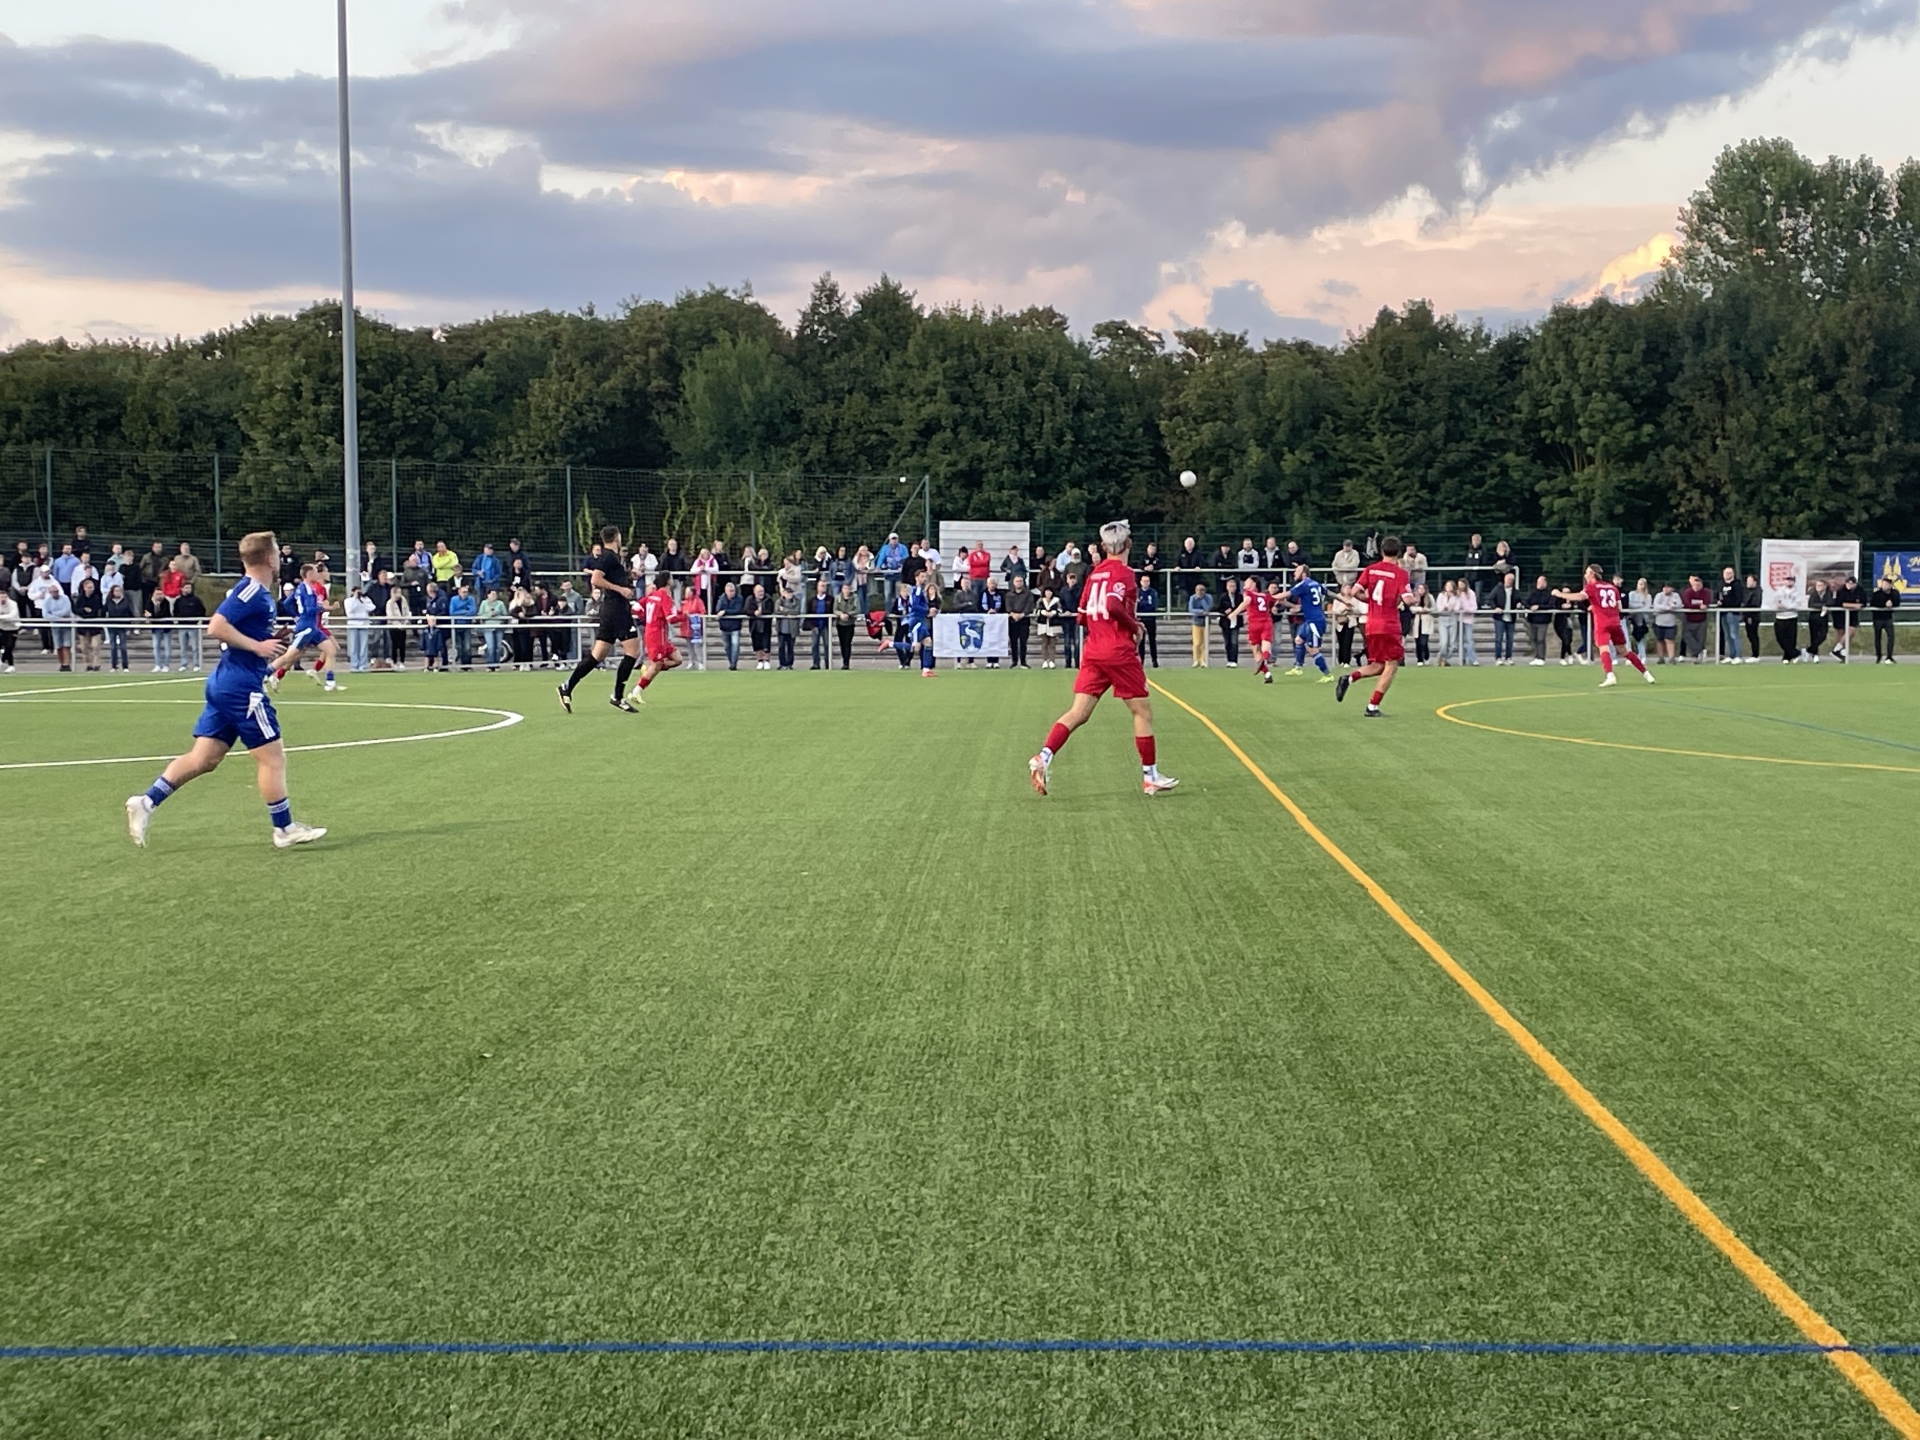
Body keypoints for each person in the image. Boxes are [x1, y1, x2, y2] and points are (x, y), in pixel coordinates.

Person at [124, 531, 325, 850]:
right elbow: (216, 626)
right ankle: (284, 828)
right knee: (273, 758)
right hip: (240, 688)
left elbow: (239, 631)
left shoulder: (258, 594)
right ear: (271, 559)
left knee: (205, 758)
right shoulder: (251, 591)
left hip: (228, 683)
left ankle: (146, 802)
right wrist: (258, 646)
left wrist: (271, 637)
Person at [1029, 520, 1177, 798]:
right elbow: (1112, 604)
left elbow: (1082, 615)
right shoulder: (1125, 573)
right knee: (1142, 713)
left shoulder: (1094, 574)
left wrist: (1103, 626)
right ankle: (1150, 776)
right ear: (1129, 545)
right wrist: (1133, 626)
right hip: (1118, 652)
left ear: (1102, 547)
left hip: (1094, 650)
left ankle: (1043, 757)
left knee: (1078, 713)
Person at [558, 525, 642, 712]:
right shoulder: (607, 556)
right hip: (617, 610)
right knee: (633, 652)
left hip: (610, 610)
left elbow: (610, 577)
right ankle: (617, 696)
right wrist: (621, 589)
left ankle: (567, 687)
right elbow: (596, 579)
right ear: (616, 537)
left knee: (597, 656)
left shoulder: (613, 558)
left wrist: (629, 576)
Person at [1337, 536, 1410, 717]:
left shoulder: (1370, 570)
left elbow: (1354, 592)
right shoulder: (1400, 574)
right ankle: (1372, 707)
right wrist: (1413, 597)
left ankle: (1349, 678)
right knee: (1392, 665)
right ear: (1399, 553)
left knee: (1378, 665)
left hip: (1372, 623)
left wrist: (1369, 600)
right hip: (1389, 624)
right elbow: (1408, 599)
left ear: (1381, 551)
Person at [1553, 567, 1654, 688]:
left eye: (1586, 573)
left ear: (1592, 574)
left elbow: (1580, 597)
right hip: (1615, 622)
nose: (1585, 575)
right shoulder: (1612, 587)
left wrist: (1559, 594)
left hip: (1602, 623)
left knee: (1604, 648)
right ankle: (1646, 673)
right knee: (1624, 650)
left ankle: (1610, 675)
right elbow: (1620, 608)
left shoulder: (1592, 587)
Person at [272, 564, 342, 691]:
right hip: (307, 627)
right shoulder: (308, 590)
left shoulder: (302, 588)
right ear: (309, 574)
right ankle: (266, 674)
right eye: (315, 572)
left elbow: (287, 603)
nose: (318, 574)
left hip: (312, 626)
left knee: (331, 650)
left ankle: (330, 681)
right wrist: (326, 608)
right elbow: (310, 610)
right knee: (290, 656)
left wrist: (296, 614)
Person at [1285, 566, 1334, 680]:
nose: (1294, 573)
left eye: (1296, 571)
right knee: (1299, 639)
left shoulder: (1304, 584)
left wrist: (1272, 597)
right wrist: (1344, 600)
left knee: (1313, 649)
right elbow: (1328, 593)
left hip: (1315, 621)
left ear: (1303, 573)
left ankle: (1328, 674)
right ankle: (1298, 667)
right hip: (1310, 619)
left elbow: (1286, 594)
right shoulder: (1314, 583)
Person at [73, 576, 105, 670]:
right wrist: (84, 610)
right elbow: (76, 610)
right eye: (89, 587)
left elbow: (97, 610)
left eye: (92, 587)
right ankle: (88, 664)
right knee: (84, 647)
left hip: (95, 626)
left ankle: (96, 663)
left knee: (95, 646)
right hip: (83, 626)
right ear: (84, 588)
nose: (91, 589)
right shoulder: (80, 599)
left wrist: (90, 613)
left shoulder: (97, 598)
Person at [1490, 570, 1521, 664]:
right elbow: (1490, 599)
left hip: (1511, 618)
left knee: (1510, 639)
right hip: (1500, 618)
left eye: (1512, 579)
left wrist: (1519, 605)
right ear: (1504, 579)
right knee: (1498, 638)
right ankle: (1498, 658)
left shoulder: (1516, 591)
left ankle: (1508, 657)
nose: (1510, 581)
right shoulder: (1498, 589)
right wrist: (1495, 608)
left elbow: (1520, 601)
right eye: (1508, 579)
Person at [1832, 573, 1865, 662]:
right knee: (1841, 633)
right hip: (1840, 615)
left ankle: (1837, 648)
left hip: (1853, 615)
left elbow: (1863, 603)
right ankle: (1842, 654)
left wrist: (1854, 606)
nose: (1849, 585)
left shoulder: (1860, 590)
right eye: (1848, 583)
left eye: (1852, 583)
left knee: (1851, 631)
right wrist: (1854, 605)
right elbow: (1841, 603)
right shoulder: (1841, 590)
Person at [1715, 568, 1745, 662]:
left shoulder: (1737, 585)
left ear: (1733, 574)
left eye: (1729, 573)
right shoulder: (1720, 585)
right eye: (1726, 573)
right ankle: (1731, 655)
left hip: (1733, 613)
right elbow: (1716, 595)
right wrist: (1718, 601)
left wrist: (1727, 604)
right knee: (1727, 635)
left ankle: (1738, 655)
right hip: (1723, 613)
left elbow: (1738, 598)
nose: (1727, 574)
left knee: (1734, 634)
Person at [1679, 574, 1711, 661]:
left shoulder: (1706, 592)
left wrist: (1702, 606)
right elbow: (1687, 604)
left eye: (1698, 584)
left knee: (1700, 638)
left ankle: (1697, 656)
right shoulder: (1688, 592)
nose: (1696, 586)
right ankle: (1700, 651)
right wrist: (1698, 607)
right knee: (1686, 636)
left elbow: (1706, 603)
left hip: (1701, 620)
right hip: (1689, 619)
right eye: (1695, 585)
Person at [677, 584, 708, 671]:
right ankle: (691, 661)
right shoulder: (684, 603)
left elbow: (702, 612)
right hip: (686, 627)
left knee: (697, 646)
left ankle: (700, 662)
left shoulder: (698, 601)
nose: (686, 593)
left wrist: (693, 616)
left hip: (695, 628)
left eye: (687, 592)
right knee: (689, 646)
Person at [1524, 576, 1555, 665]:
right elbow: (1526, 602)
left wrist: (1539, 607)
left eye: (1541, 582)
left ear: (1545, 583)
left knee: (1541, 638)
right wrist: (1530, 607)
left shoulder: (1548, 594)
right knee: (1534, 638)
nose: (1539, 584)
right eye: (1538, 582)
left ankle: (1542, 657)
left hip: (1543, 620)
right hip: (1532, 619)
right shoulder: (1533, 593)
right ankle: (1536, 656)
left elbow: (1550, 605)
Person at [1870, 575, 1901, 663]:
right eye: (1883, 584)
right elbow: (1873, 603)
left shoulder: (1894, 593)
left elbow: (1897, 602)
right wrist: (1884, 604)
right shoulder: (1877, 594)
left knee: (1891, 637)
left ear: (1891, 585)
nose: (1884, 586)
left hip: (1888, 618)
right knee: (1877, 638)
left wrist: (1892, 603)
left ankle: (1889, 656)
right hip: (1878, 619)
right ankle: (1878, 656)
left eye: (1886, 584)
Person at [715, 581, 746, 670]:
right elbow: (717, 609)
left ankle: (733, 664)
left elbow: (738, 610)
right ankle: (731, 661)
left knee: (735, 644)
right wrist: (722, 611)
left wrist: (725, 611)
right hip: (724, 626)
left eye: (733, 590)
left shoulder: (739, 598)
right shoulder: (721, 598)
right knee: (727, 646)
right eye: (730, 591)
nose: (732, 592)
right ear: (726, 591)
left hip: (735, 626)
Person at [477, 587, 509, 670]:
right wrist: (488, 615)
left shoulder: (500, 604)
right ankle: (490, 665)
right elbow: (480, 615)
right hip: (488, 627)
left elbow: (505, 615)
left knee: (498, 647)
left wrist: (498, 615)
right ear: (488, 595)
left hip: (498, 627)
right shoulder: (484, 603)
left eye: (495, 594)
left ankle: (497, 665)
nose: (494, 596)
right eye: (492, 594)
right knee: (490, 646)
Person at [1006, 573, 1034, 668]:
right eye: (1017, 581)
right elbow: (1008, 607)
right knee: (1013, 642)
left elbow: (1030, 605)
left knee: (1023, 642)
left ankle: (1023, 661)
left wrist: (1022, 614)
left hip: (1024, 620)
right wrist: (1013, 614)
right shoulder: (1009, 594)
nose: (1019, 583)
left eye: (1020, 581)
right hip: (1012, 621)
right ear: (1013, 583)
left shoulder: (1028, 593)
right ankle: (1014, 661)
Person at [345, 587, 376, 671]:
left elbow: (372, 607)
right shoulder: (348, 601)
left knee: (363, 646)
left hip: (364, 625)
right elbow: (350, 610)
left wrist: (363, 600)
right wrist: (355, 598)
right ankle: (354, 665)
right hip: (353, 625)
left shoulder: (365, 599)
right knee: (354, 646)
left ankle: (363, 664)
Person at [1034, 584, 1064, 668]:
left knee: (1052, 644)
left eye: (1050, 591)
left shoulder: (1056, 600)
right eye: (1047, 591)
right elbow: (1037, 610)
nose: (1048, 593)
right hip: (1043, 624)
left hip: (1054, 624)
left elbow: (1060, 610)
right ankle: (1044, 661)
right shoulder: (1040, 600)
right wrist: (1044, 613)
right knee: (1044, 643)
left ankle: (1051, 661)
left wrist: (1053, 613)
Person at [831, 582, 858, 669]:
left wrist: (848, 614)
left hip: (850, 623)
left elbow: (857, 609)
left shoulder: (855, 597)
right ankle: (844, 661)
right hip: (840, 624)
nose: (847, 591)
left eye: (848, 589)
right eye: (845, 588)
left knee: (848, 643)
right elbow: (835, 609)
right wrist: (840, 614)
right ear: (842, 589)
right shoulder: (838, 597)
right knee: (842, 643)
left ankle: (847, 662)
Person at [1136, 573, 1161, 668]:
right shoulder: (1137, 592)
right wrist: (1144, 604)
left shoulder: (1153, 592)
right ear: (1141, 582)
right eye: (1144, 581)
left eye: (1147, 581)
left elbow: (1153, 605)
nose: (1145, 583)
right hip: (1141, 619)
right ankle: (1141, 660)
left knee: (1152, 640)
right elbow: (1136, 605)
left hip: (1150, 618)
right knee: (1141, 641)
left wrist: (1142, 604)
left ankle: (1154, 660)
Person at [1187, 581, 1212, 667]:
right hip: (1196, 622)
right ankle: (1196, 660)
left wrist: (1202, 600)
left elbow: (1208, 608)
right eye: (1198, 590)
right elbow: (1191, 610)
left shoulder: (1208, 597)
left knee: (1204, 642)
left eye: (1202, 590)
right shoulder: (1192, 598)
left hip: (1206, 623)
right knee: (1196, 643)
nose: (1199, 592)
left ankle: (1203, 660)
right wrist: (1201, 612)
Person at [1803, 579, 1830, 661]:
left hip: (1824, 618)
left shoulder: (1828, 593)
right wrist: (1822, 606)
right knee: (1814, 636)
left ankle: (1808, 650)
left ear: (1825, 586)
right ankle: (1815, 654)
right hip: (1814, 618)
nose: (1818, 587)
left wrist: (1826, 606)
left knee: (1823, 636)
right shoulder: (1813, 594)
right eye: (1817, 585)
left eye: (1820, 585)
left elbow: (1831, 601)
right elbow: (1811, 604)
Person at [1741, 574, 1763, 660]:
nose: (1748, 583)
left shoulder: (1757, 592)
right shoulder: (1748, 591)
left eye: (1750, 581)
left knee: (1753, 635)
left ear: (1755, 582)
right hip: (1747, 616)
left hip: (1753, 617)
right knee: (1750, 635)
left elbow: (1754, 604)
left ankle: (1755, 654)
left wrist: (1749, 615)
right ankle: (1754, 653)